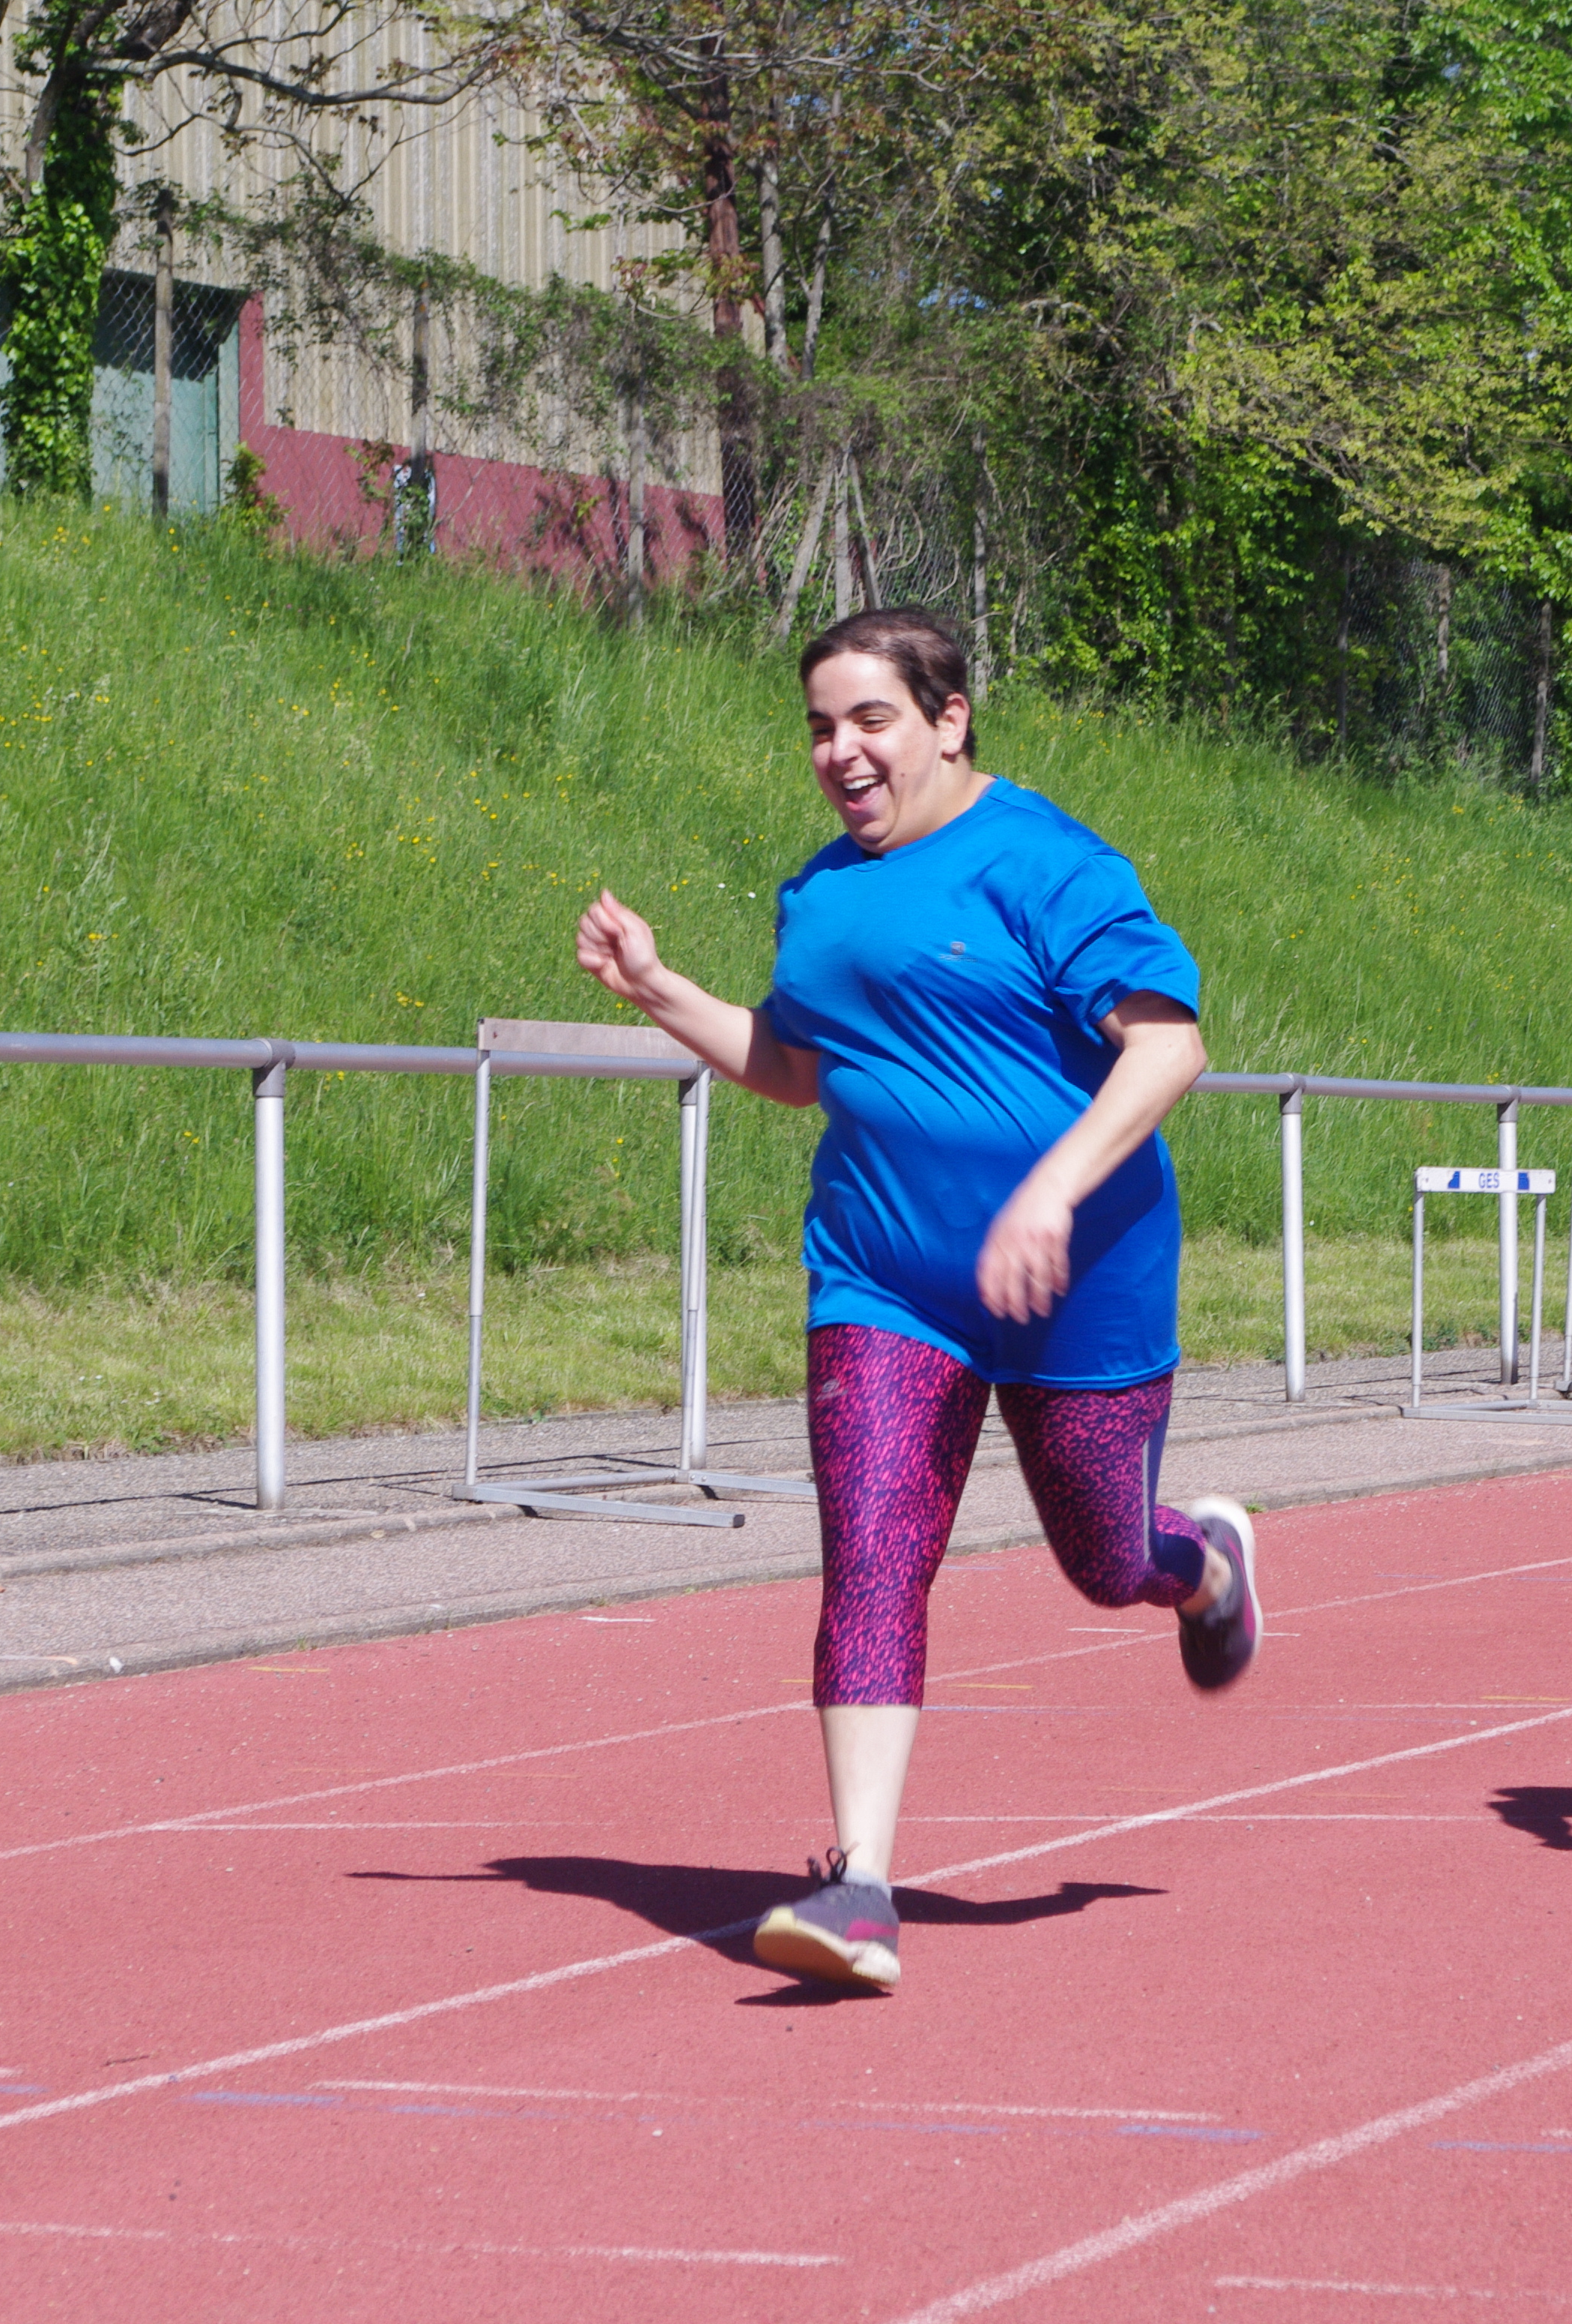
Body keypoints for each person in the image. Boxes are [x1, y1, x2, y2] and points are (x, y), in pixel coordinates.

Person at [573, 605, 1258, 1991]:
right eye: (821, 728)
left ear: (949, 720)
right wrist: (658, 989)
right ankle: (862, 1887)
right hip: (883, 1278)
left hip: (1082, 1281)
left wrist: (1050, 1193)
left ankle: (1204, 1565)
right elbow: (792, 1065)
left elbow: (1168, 1048)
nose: (842, 752)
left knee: (1101, 1560)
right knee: (876, 1551)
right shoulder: (820, 898)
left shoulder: (1049, 864)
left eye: (871, 719)